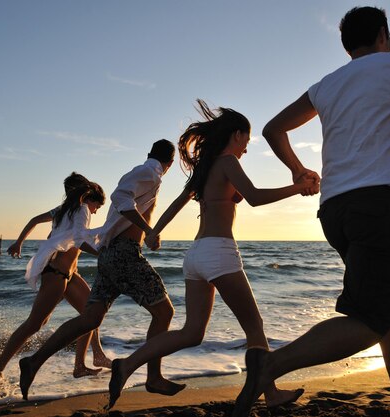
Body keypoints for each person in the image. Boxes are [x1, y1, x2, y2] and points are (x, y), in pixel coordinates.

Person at [232, 7, 390, 417]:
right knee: (371, 317)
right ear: (382, 35)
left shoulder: (327, 85)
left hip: (335, 211)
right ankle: (269, 365)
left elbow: (273, 128)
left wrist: (298, 170)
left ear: (346, 44)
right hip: (379, 206)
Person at [107, 100, 316, 410]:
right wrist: (297, 188)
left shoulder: (206, 170)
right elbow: (256, 198)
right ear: (236, 135)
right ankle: (271, 394)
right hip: (219, 251)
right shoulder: (229, 161)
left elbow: (179, 201)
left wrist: (154, 231)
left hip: (195, 256)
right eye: (247, 139)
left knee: (192, 332)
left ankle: (126, 365)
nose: (247, 147)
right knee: (254, 326)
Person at [18, 139, 185, 401]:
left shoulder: (142, 172)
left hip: (109, 257)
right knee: (164, 312)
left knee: (90, 319)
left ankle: (33, 362)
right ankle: (153, 376)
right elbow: (120, 199)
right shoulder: (150, 173)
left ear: (149, 153)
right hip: (124, 255)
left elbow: (121, 205)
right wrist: (150, 230)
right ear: (170, 163)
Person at [0, 173, 112, 396]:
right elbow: (80, 240)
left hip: (68, 273)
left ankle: (82, 364)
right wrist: (103, 255)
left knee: (92, 312)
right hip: (56, 273)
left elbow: (35, 220)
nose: (95, 212)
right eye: (97, 207)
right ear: (91, 199)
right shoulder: (81, 209)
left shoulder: (63, 209)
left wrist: (19, 242)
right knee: (35, 324)